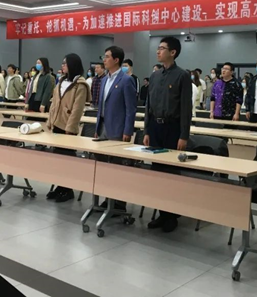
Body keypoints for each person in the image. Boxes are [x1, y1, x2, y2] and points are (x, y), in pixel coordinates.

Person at [144, 37, 192, 233]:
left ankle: (171, 215)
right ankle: (161, 213)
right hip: (155, 128)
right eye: (158, 48)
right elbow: (149, 105)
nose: (158, 51)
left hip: (173, 129)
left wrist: (184, 135)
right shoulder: (155, 76)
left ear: (173, 52)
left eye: (162, 48)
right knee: (157, 172)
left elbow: (186, 108)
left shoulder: (182, 76)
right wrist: (146, 130)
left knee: (171, 173)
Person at [95, 45, 137, 211]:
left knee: (116, 166)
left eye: (107, 57)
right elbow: (101, 106)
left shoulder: (126, 80)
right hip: (103, 127)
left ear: (116, 60)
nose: (104, 60)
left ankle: (118, 204)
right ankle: (107, 198)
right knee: (103, 165)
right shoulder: (104, 79)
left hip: (118, 129)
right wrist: (97, 127)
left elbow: (131, 109)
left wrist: (127, 130)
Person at [46, 53, 91, 203]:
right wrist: (50, 121)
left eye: (65, 63)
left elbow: (77, 109)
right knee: (58, 159)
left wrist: (70, 128)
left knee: (67, 160)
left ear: (72, 65)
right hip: (56, 124)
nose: (62, 66)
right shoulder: (61, 81)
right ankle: (60, 186)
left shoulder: (80, 85)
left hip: (67, 127)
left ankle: (67, 189)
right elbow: (54, 103)